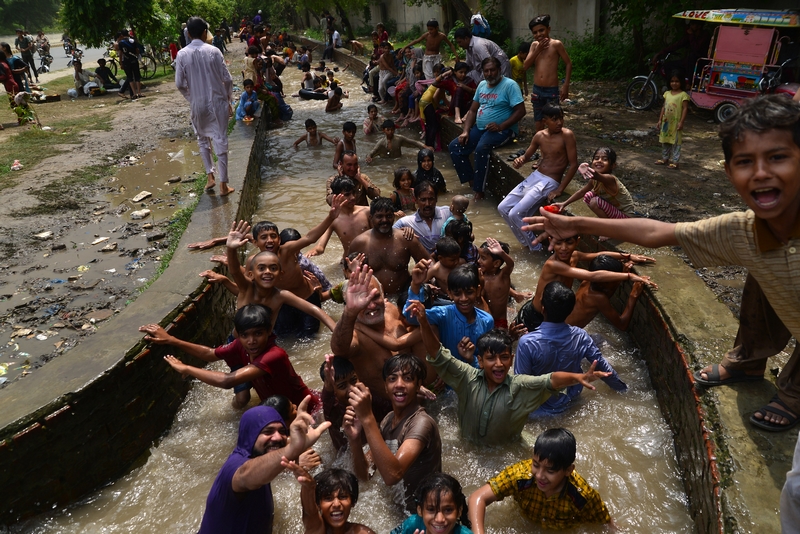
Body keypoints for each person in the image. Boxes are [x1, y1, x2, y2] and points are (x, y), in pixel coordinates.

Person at [526, 95, 800, 431]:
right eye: (745, 162)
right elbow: (658, 231)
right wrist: (577, 225)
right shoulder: (743, 230)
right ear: (729, 172)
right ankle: (748, 361)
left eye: (777, 157)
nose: (760, 173)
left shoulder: (561, 304)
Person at [410, 305, 607, 443]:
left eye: (504, 358)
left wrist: (578, 378)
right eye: (491, 359)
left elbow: (550, 379)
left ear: (511, 360)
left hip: (509, 447)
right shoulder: (466, 377)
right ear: (480, 360)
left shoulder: (519, 386)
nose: (498, 364)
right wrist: (423, 322)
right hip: (471, 447)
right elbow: (438, 353)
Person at [140, 305, 320, 411]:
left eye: (258, 333)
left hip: (308, 409)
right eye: (245, 335)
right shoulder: (240, 345)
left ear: (269, 332)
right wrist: (172, 340)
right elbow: (210, 354)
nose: (252, 341)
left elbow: (227, 381)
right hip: (280, 409)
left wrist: (187, 368)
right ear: (239, 335)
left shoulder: (274, 355)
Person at [196, 399, 329, 533]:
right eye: (268, 431)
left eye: (282, 431)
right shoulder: (235, 466)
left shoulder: (261, 457)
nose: (277, 437)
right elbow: (245, 474)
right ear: (251, 435)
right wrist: (293, 450)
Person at [344, 353, 443, 513]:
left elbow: (392, 475)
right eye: (392, 379)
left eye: (408, 378)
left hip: (426, 516)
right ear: (385, 386)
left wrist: (368, 417)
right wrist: (354, 440)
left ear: (418, 386)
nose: (399, 385)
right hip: (399, 511)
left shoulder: (421, 423)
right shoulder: (388, 420)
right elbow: (365, 475)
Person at [468, 428, 612, 532]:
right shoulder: (521, 476)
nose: (539, 475)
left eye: (550, 470)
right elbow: (477, 498)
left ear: (568, 470)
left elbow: (607, 524)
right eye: (536, 465)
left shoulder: (581, 496)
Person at [515, 281, 627, 415]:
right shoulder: (581, 336)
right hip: (571, 403)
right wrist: (624, 391)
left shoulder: (527, 342)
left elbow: (520, 385)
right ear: (570, 310)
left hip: (537, 411)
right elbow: (603, 367)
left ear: (543, 308)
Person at [518, 233, 656, 331]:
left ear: (577, 241)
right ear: (551, 241)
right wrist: (628, 276)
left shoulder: (575, 256)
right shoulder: (553, 265)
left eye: (569, 242)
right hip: (536, 316)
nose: (564, 248)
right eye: (558, 243)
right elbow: (593, 276)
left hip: (553, 315)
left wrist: (628, 256)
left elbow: (597, 255)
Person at [499, 103, 576, 250]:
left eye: (561, 118)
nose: (559, 122)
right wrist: (520, 160)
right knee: (503, 208)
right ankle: (526, 243)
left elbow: (573, 165)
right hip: (536, 176)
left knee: (515, 213)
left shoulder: (567, 135)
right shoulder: (539, 135)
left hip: (550, 181)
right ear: (544, 121)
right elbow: (527, 156)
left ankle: (535, 248)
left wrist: (560, 189)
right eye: (554, 119)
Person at [449, 57, 525, 201]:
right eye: (486, 71)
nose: (489, 74)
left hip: (504, 130)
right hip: (481, 128)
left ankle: (479, 191)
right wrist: (466, 131)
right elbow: (472, 111)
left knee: (481, 148)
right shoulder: (482, 85)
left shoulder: (510, 85)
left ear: (499, 70)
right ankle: (472, 181)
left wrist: (501, 126)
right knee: (455, 147)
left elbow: (521, 111)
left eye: (492, 70)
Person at [175, 18, 234, 196]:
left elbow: (179, 83)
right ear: (203, 32)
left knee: (202, 139)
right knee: (220, 139)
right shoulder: (214, 51)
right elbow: (228, 79)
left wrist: (192, 98)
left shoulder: (182, 54)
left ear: (189, 33)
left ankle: (210, 177)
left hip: (197, 104)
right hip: (217, 102)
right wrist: (229, 100)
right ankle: (223, 185)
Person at [404, 262, 493, 366]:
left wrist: (471, 359)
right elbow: (411, 317)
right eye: (457, 293)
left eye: (469, 292)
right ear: (449, 293)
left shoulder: (487, 320)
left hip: (475, 378)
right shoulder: (443, 314)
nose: (464, 298)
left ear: (478, 291)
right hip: (447, 378)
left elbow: (488, 360)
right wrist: (415, 285)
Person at [349, 197, 430, 295]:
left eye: (389, 216)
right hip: (372, 298)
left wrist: (426, 283)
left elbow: (430, 263)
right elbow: (348, 273)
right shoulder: (359, 243)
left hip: (402, 296)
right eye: (379, 216)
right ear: (371, 218)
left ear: (394, 217)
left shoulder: (406, 239)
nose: (384, 220)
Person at [282, 464, 376, 534]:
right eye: (328, 498)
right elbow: (309, 512)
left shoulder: (361, 532)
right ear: (318, 504)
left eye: (343, 497)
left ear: (353, 501)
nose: (336, 504)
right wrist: (308, 487)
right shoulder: (316, 529)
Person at [554, 146, 635, 221]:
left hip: (625, 218)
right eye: (596, 158)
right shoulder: (595, 180)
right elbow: (582, 192)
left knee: (595, 201)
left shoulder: (610, 179)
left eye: (605, 159)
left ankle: (607, 227)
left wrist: (585, 168)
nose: (599, 161)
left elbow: (595, 175)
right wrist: (564, 204)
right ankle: (606, 221)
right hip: (615, 212)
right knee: (588, 195)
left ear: (613, 165)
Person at [566, 255, 645, 331]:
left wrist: (622, 275)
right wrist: (633, 295)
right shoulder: (598, 297)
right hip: (567, 338)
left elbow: (608, 288)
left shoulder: (588, 280)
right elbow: (622, 325)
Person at [522, 15, 573, 132]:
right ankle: (541, 146)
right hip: (537, 90)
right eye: (535, 32)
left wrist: (566, 86)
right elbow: (525, 66)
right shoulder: (534, 45)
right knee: (539, 122)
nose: (539, 34)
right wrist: (538, 50)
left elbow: (568, 63)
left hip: (551, 90)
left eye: (541, 30)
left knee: (553, 121)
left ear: (548, 29)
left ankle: (553, 146)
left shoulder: (556, 44)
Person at [307, 176, 371, 258]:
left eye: (354, 193)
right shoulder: (333, 219)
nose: (353, 197)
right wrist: (313, 251)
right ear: (336, 197)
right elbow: (320, 247)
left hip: (368, 259)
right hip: (348, 262)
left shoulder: (367, 212)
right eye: (347, 195)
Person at [391, 473, 472, 534]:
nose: (439, 519)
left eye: (448, 510)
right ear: (420, 510)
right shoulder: (413, 524)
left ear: (459, 511)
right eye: (431, 509)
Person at [477, 238, 526, 328]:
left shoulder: (502, 276)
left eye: (483, 258)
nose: (479, 261)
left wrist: (501, 253)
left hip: (499, 320)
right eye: (479, 257)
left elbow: (510, 264)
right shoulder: (480, 275)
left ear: (496, 263)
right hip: (483, 317)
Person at [393, 180, 452, 253]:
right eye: (423, 200)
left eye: (431, 199)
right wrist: (401, 232)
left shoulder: (447, 213)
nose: (427, 204)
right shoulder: (407, 222)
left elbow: (468, 234)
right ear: (416, 200)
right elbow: (387, 238)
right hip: (423, 263)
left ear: (436, 199)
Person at [656, 72, 690, 169]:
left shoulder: (683, 95)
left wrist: (681, 122)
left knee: (676, 143)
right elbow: (664, 107)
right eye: (672, 81)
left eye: (677, 81)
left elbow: (685, 109)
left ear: (681, 82)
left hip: (676, 124)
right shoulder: (667, 94)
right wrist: (660, 120)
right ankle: (665, 159)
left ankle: (675, 162)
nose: (674, 83)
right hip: (666, 122)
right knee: (665, 140)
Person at [116, 30, 143, 100]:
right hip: (134, 60)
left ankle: (134, 93)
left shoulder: (121, 43)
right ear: (128, 34)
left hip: (126, 61)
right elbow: (137, 50)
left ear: (122, 35)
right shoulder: (132, 40)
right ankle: (139, 92)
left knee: (130, 78)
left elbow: (120, 54)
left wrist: (121, 63)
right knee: (137, 76)